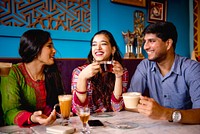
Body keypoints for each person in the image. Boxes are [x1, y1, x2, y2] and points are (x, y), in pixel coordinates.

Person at [128, 21, 200, 124]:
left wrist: (165, 113)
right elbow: (130, 102)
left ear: (168, 44)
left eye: (151, 41)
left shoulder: (192, 69)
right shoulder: (145, 66)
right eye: (145, 41)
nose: (145, 47)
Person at [0, 29, 64, 127]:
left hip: (49, 128)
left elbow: (57, 105)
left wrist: (61, 113)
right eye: (49, 46)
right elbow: (10, 112)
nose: (54, 50)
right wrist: (32, 118)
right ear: (35, 48)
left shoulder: (52, 73)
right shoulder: (13, 73)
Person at [71, 30, 129, 114]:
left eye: (103, 43)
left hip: (113, 121)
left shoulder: (122, 71)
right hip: (87, 121)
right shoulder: (78, 72)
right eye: (94, 44)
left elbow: (117, 108)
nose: (98, 48)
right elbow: (78, 111)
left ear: (113, 49)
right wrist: (82, 77)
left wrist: (119, 77)